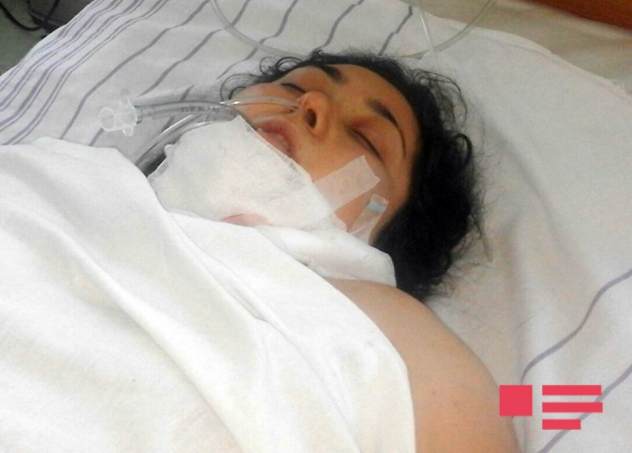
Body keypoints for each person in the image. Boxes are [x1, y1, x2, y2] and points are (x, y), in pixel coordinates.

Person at [211, 49, 518, 452]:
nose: (312, 104)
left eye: (366, 139)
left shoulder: (379, 321)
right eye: (294, 87)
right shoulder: (122, 195)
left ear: (379, 231)